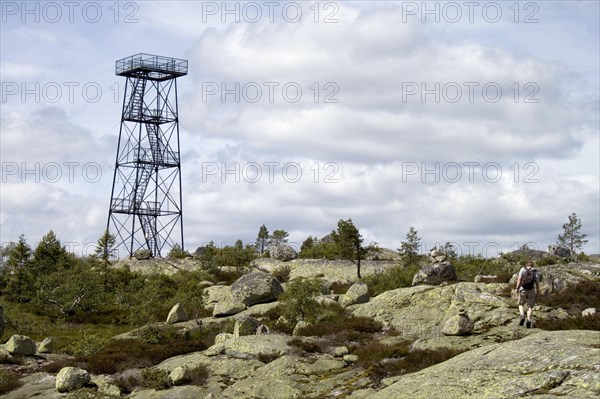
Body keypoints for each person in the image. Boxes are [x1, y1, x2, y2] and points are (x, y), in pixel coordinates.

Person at [515, 260, 540, 328]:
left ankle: (522, 315)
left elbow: (519, 279)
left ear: (526, 264)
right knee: (530, 306)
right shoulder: (535, 271)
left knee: (520, 304)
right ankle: (528, 320)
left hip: (523, 289)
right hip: (531, 290)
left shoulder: (522, 269)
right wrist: (538, 293)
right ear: (532, 265)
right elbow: (537, 283)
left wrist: (517, 288)